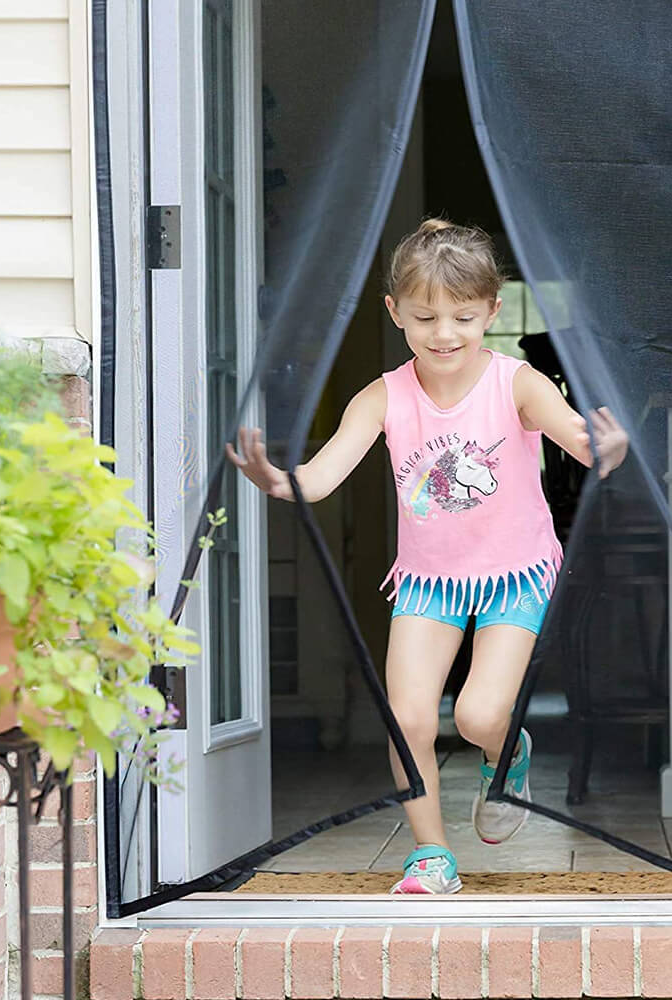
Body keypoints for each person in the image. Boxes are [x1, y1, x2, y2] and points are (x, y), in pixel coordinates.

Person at [226, 218, 628, 894]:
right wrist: (280, 481)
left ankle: (509, 751)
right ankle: (432, 853)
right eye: (425, 317)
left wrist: (604, 449)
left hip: (515, 575)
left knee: (475, 716)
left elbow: (580, 440)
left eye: (463, 317)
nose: (444, 333)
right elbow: (321, 476)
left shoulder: (518, 383)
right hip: (429, 583)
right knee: (408, 715)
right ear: (396, 313)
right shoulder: (384, 396)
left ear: (492, 312)